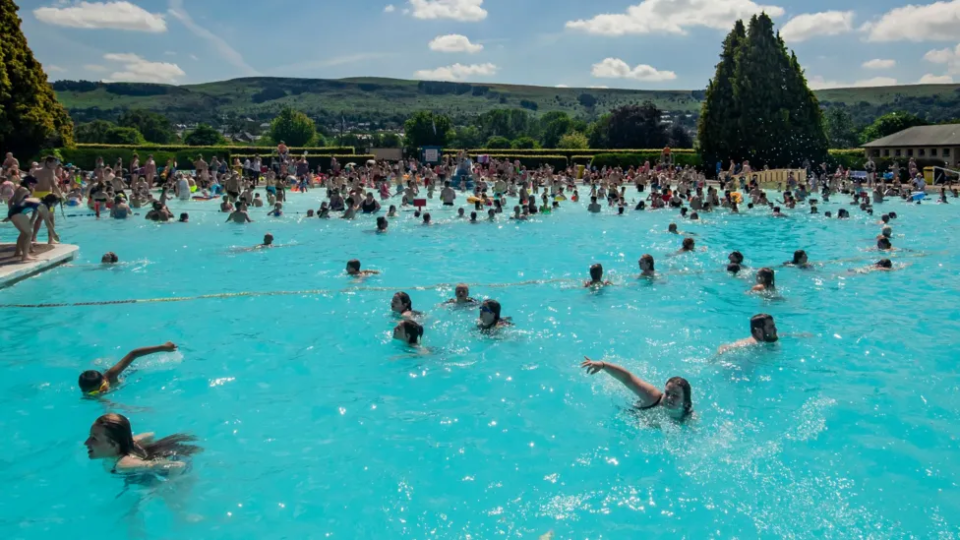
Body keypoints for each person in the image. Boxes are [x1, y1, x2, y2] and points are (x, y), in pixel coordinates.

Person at [580, 357, 693, 420]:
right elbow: (627, 378)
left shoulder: (687, 415)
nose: (669, 398)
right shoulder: (653, 396)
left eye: (675, 395)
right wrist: (603, 365)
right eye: (667, 393)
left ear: (685, 401)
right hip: (632, 415)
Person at [85, 413, 201, 473]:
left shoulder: (123, 465)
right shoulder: (131, 442)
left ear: (114, 444)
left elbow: (177, 466)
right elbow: (150, 435)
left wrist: (166, 486)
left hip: (174, 470)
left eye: (94, 438)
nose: (86, 442)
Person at [78, 342, 178, 396]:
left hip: (128, 372)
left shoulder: (111, 376)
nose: (101, 392)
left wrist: (162, 347)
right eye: (94, 392)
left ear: (104, 379)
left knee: (134, 369)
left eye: (103, 387)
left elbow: (134, 353)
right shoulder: (88, 395)